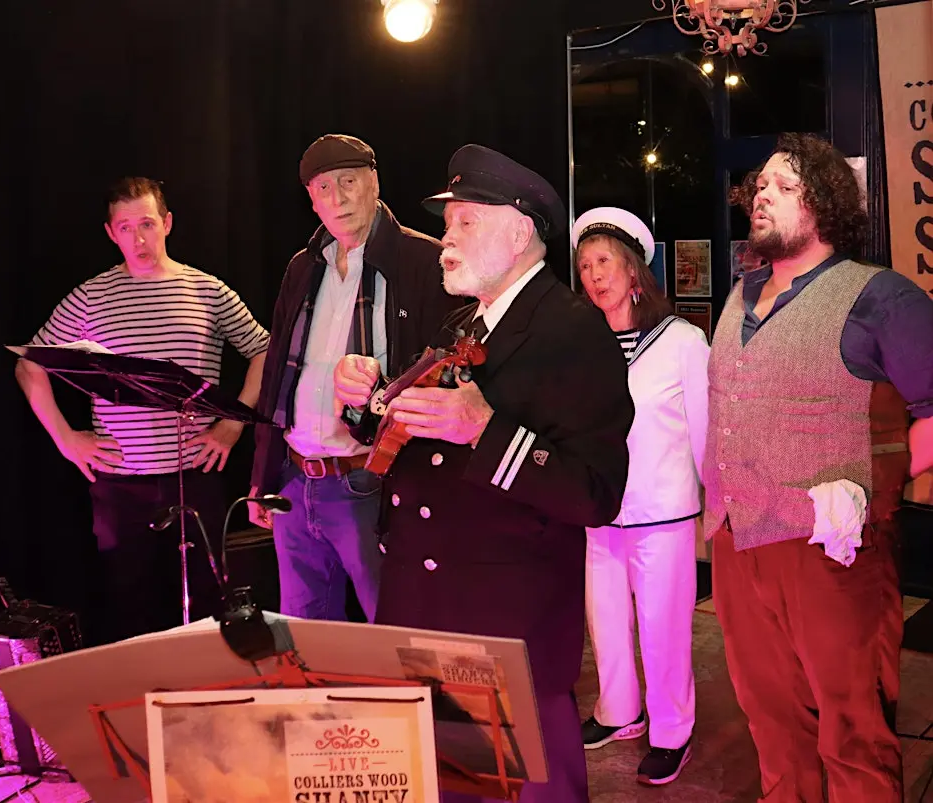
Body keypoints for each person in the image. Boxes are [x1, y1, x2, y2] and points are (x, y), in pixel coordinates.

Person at [333, 144, 635, 803]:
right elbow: (407, 438)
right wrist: (364, 401)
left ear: (520, 232)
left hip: (506, 629)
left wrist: (486, 429)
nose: (446, 241)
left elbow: (596, 493)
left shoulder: (573, 330)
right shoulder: (463, 325)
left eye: (465, 222)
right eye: (448, 225)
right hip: (429, 610)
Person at [707, 132, 933, 802]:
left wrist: (876, 494)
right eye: (760, 186)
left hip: (833, 554)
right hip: (739, 545)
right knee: (770, 718)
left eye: (785, 186)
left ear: (826, 203)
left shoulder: (881, 297)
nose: (762, 196)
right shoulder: (739, 295)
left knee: (853, 728)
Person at [15, 176, 270, 644]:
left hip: (194, 475)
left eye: (147, 224)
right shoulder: (90, 297)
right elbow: (30, 364)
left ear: (167, 223)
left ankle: (209, 684)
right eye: (126, 227)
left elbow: (264, 350)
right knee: (129, 606)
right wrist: (66, 439)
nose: (138, 239)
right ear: (111, 233)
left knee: (207, 604)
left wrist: (233, 425)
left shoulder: (207, 290)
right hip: (119, 485)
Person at [249, 134, 460, 623]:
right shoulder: (303, 267)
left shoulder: (422, 262)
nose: (338, 198)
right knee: (305, 635)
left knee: (393, 629)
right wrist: (263, 475)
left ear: (374, 183)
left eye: (348, 181)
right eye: (324, 188)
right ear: (311, 200)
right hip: (295, 481)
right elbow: (277, 372)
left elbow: (446, 374)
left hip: (371, 481)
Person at [572, 208, 708, 785]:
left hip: (663, 513)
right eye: (584, 266)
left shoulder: (682, 341)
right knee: (605, 623)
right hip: (600, 510)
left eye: (604, 261)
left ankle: (672, 730)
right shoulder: (582, 344)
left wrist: (714, 505)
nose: (594, 275)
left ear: (633, 270)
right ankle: (618, 711)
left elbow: (704, 429)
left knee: (663, 628)